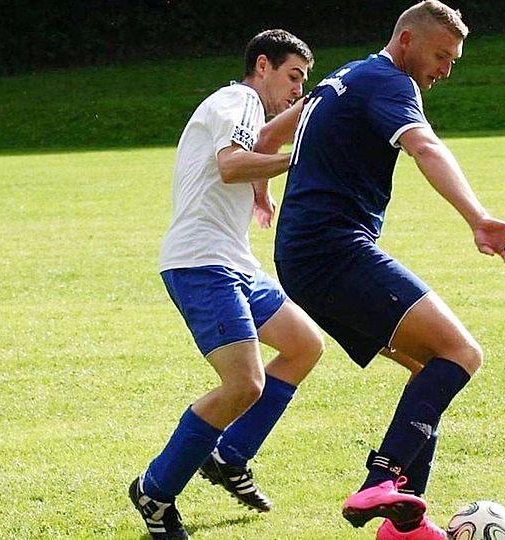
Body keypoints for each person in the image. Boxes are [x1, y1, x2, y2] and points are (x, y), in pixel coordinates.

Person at [274, 2, 505, 539]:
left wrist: (254, 179)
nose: (446, 69)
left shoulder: (344, 77)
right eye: (441, 55)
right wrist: (477, 218)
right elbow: (425, 147)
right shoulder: (389, 82)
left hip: (303, 258)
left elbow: (279, 136)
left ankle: (404, 528)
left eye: (454, 60)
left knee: (429, 368)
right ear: (407, 41)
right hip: (333, 250)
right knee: (461, 353)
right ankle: (380, 480)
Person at [128, 29, 324, 540]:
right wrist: (298, 162)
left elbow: (251, 153)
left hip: (233, 261)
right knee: (245, 383)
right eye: (293, 77)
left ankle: (228, 456)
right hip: (200, 262)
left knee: (304, 346)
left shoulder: (251, 114)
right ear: (263, 65)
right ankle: (155, 489)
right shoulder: (237, 98)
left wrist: (262, 191)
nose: (297, 90)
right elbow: (231, 163)